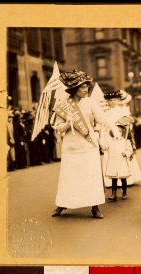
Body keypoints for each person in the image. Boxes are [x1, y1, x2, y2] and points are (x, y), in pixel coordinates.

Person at [51, 69, 119, 219]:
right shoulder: (64, 105)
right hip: (71, 147)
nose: (86, 89)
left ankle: (95, 206)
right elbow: (58, 128)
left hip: (88, 146)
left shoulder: (90, 103)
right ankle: (62, 203)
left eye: (87, 86)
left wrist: (113, 128)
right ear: (75, 89)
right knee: (69, 177)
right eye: (82, 87)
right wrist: (68, 123)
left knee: (91, 176)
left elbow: (102, 119)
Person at [105, 124, 133, 201]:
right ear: (112, 132)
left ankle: (124, 192)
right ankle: (113, 193)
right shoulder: (110, 142)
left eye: (120, 131)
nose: (118, 133)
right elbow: (105, 147)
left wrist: (126, 153)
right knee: (114, 179)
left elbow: (130, 150)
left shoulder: (125, 141)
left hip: (122, 161)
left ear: (122, 132)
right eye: (116, 131)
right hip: (113, 162)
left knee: (123, 178)